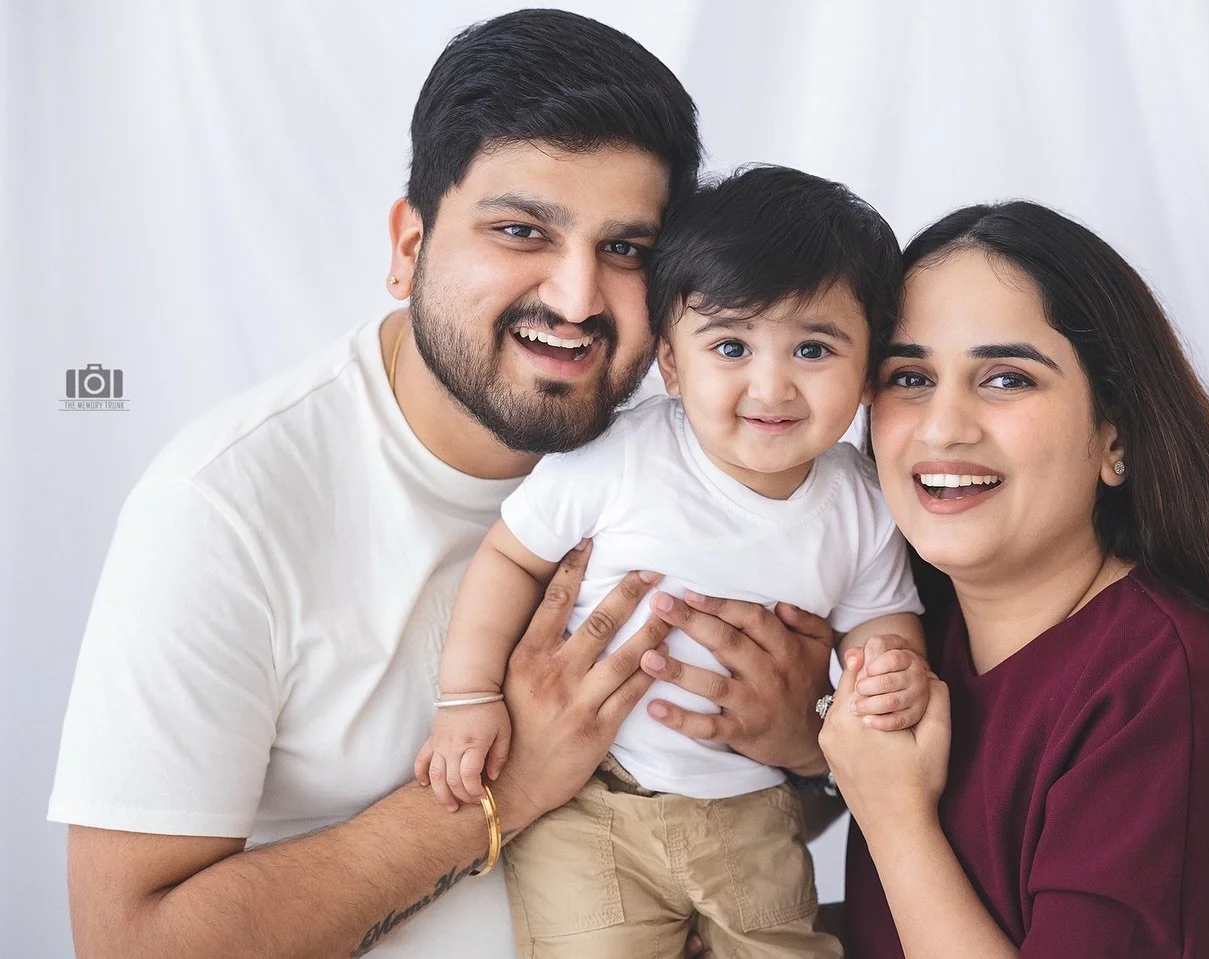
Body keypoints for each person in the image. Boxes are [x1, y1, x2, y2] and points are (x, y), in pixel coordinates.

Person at [48, 12, 832, 958]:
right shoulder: (222, 505)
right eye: (520, 230)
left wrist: (806, 744)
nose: (578, 298)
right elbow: (126, 942)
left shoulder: (715, 453)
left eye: (626, 249)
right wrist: (505, 787)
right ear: (409, 245)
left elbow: (746, 810)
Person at [819, 200, 1209, 958]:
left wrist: (893, 818)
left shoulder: (1170, 693)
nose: (944, 425)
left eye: (1007, 379)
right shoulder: (921, 643)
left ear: (1115, 435)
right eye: (909, 375)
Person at [417, 165, 930, 957]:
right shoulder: (620, 455)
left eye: (813, 349)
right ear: (671, 364)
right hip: (590, 808)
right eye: (731, 344)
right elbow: (511, 559)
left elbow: (882, 619)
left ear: (867, 375)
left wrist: (886, 666)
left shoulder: (860, 504)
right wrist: (467, 695)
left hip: (754, 808)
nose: (772, 384)